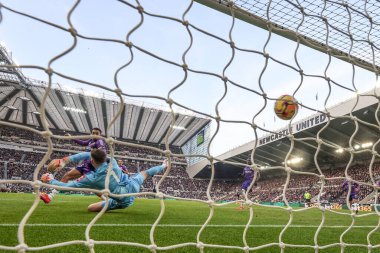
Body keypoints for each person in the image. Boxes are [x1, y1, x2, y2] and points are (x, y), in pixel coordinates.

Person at [41, 149, 168, 212]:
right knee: (145, 173)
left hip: (122, 200)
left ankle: (108, 201)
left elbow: (68, 187)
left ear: (91, 161)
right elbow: (87, 155)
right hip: (133, 185)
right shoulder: (111, 160)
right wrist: (65, 160)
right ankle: (163, 165)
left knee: (90, 208)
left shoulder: (92, 178)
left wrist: (50, 179)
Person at [40, 127, 106, 204]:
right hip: (85, 165)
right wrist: (71, 137)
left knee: (92, 187)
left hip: (92, 167)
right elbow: (82, 143)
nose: (94, 135)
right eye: (93, 133)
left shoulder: (100, 142)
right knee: (67, 176)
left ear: (100, 135)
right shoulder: (90, 141)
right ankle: (50, 196)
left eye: (96, 133)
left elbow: (102, 154)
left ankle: (107, 199)